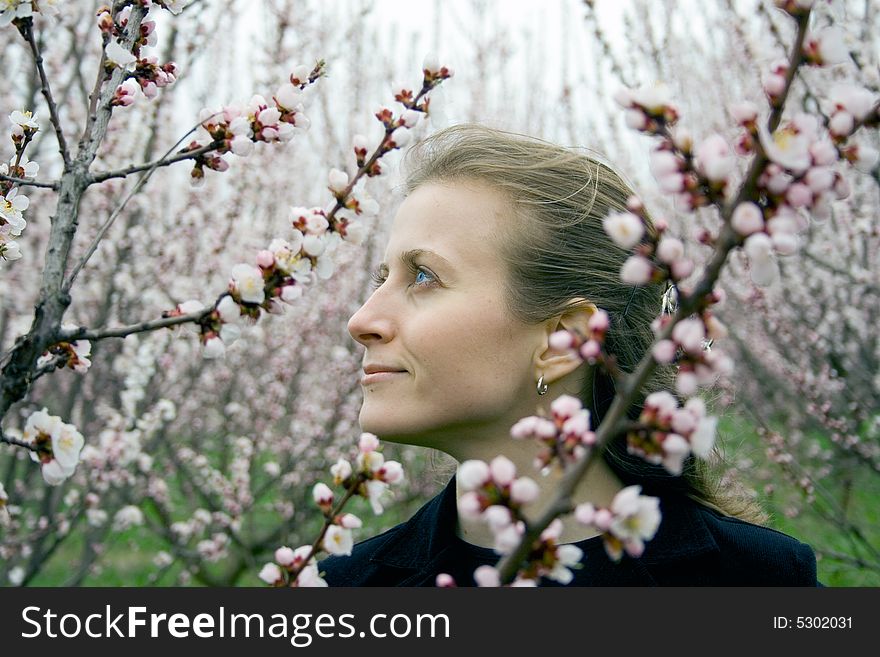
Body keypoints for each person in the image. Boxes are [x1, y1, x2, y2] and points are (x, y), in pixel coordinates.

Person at [320, 123, 820, 586]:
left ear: (564, 340)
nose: (361, 321)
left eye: (424, 276)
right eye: (382, 279)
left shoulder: (758, 584)